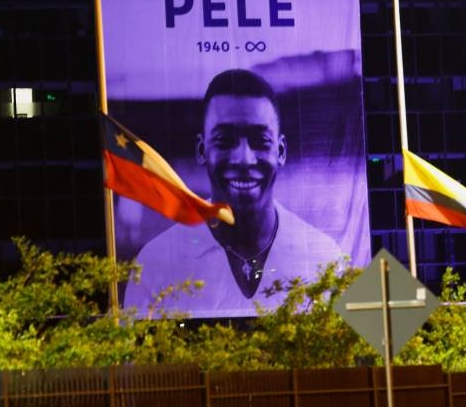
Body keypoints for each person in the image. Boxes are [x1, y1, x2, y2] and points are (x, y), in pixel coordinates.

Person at [122, 68, 343, 318]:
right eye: (225, 141)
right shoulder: (156, 262)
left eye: (260, 141)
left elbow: (366, 350)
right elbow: (135, 357)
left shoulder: (323, 256)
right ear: (202, 150)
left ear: (280, 151)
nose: (243, 159)